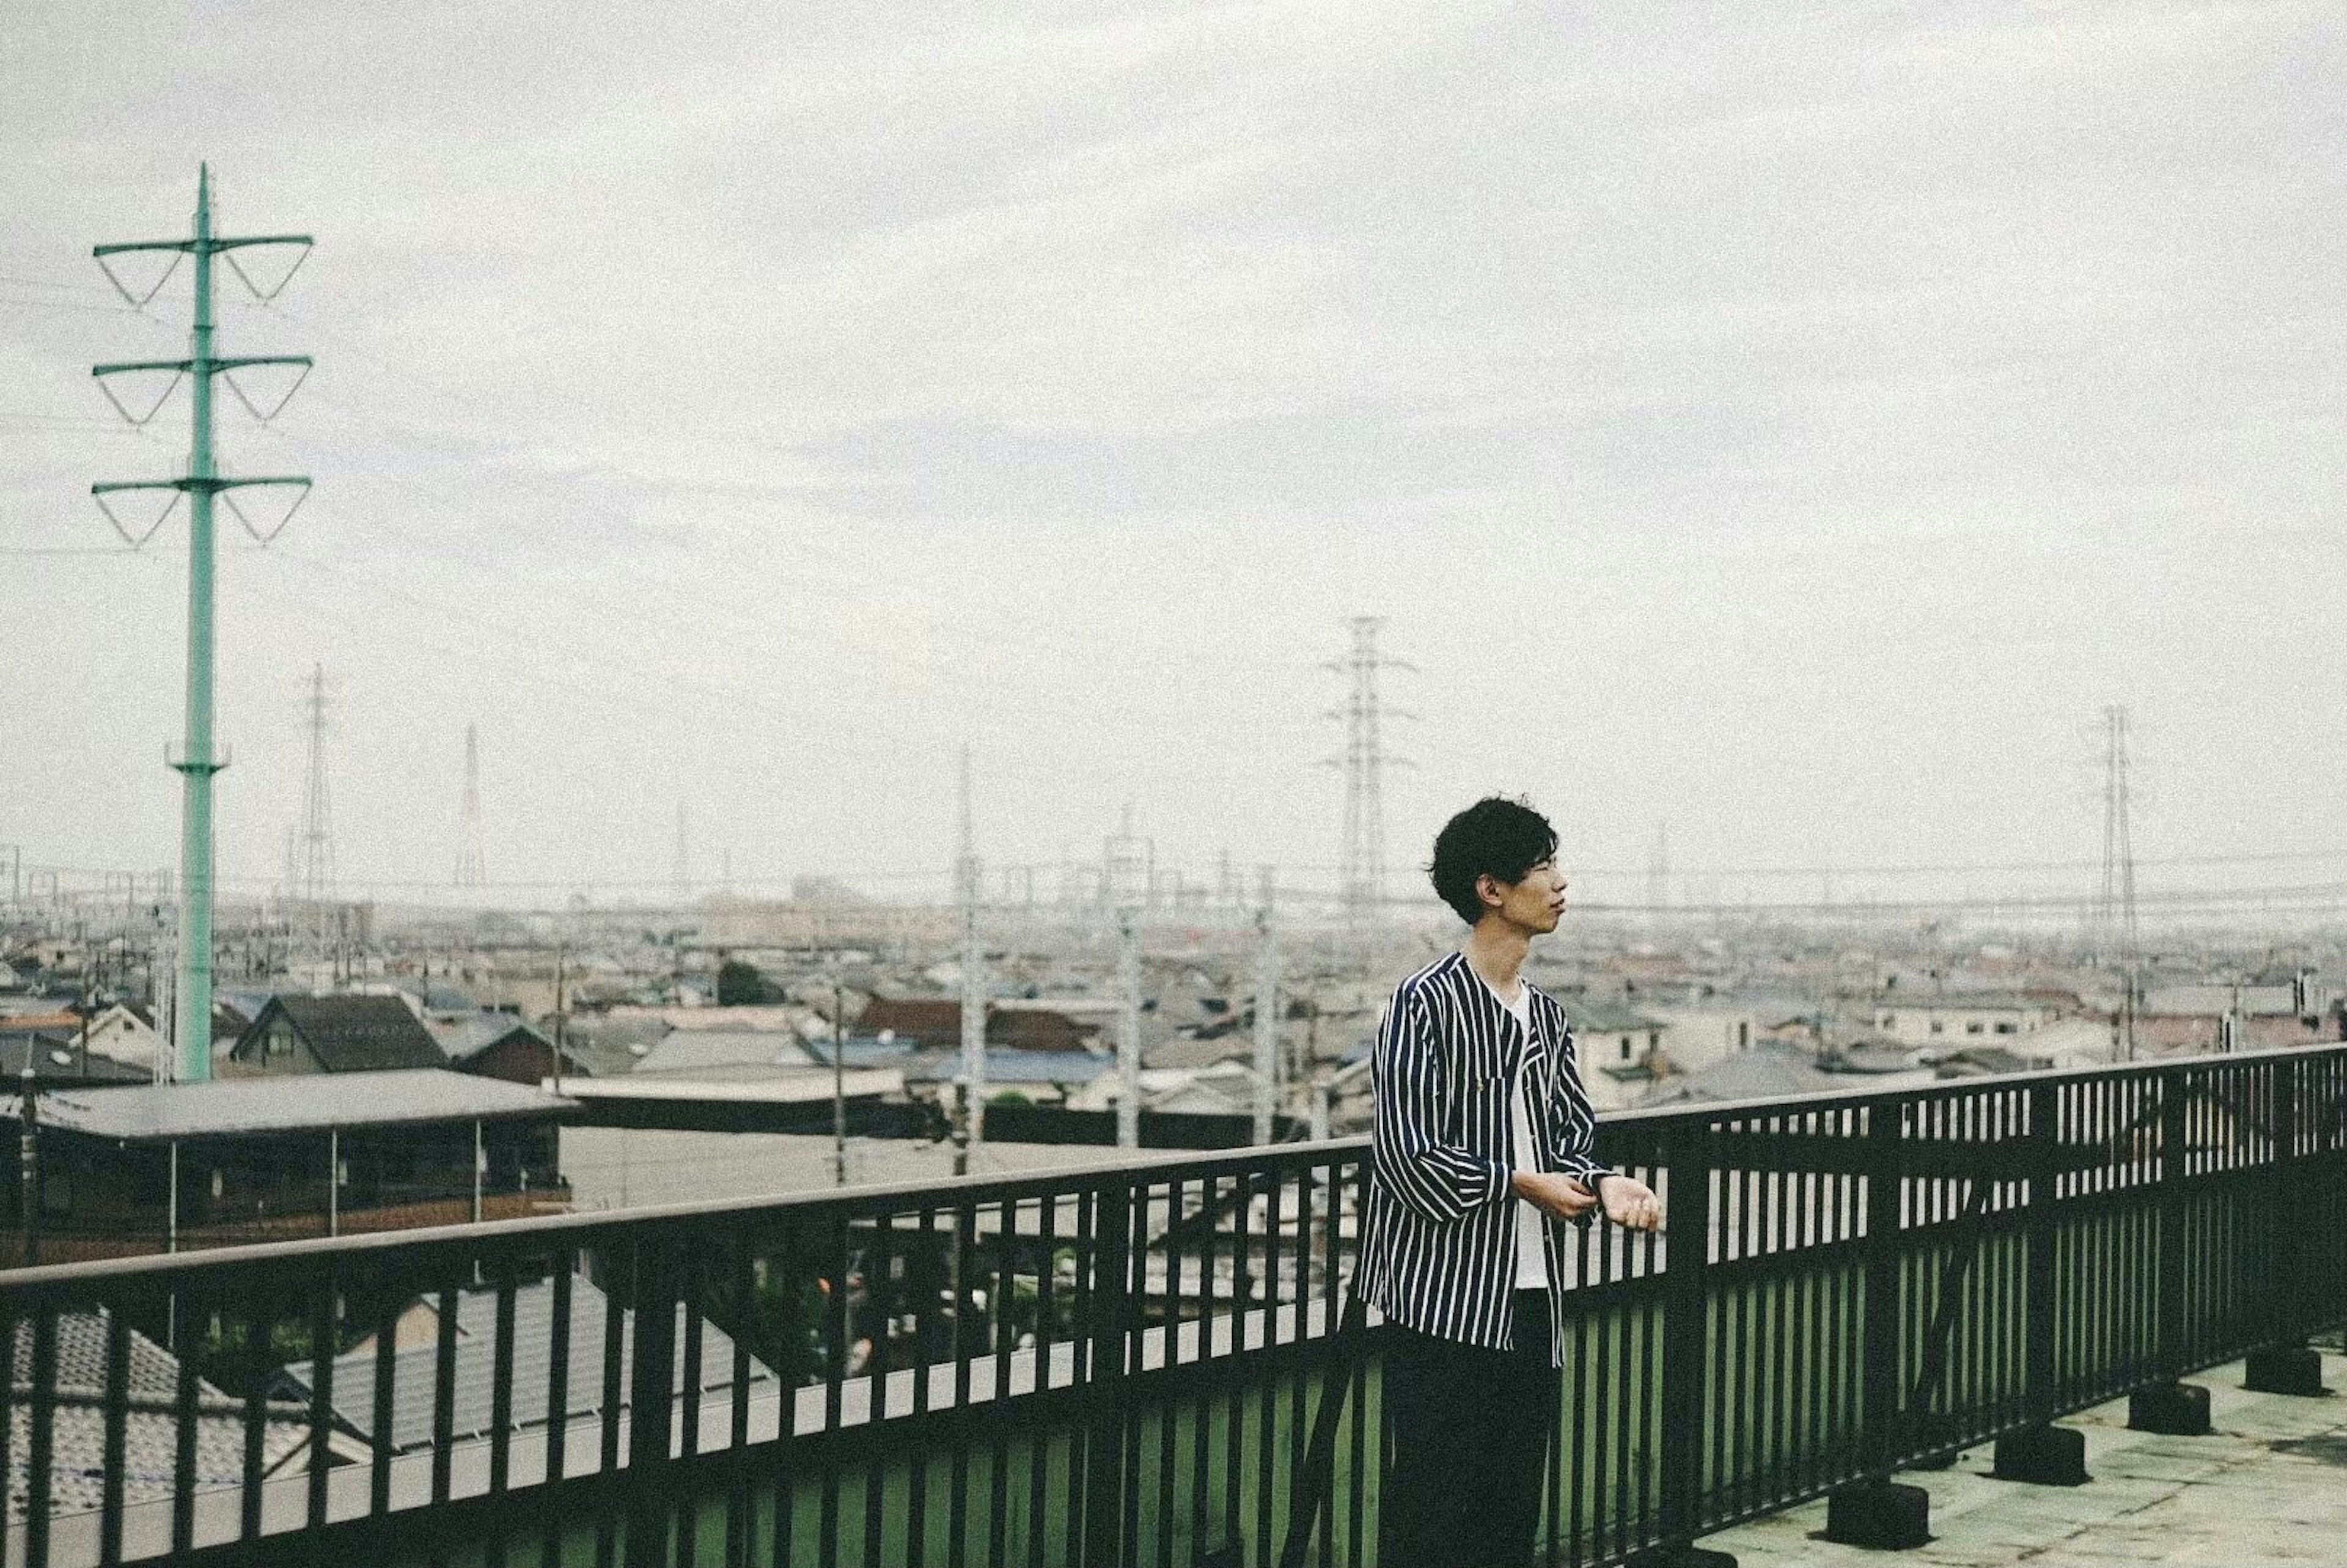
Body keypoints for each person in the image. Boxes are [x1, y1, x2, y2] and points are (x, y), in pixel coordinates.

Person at [1354, 795, 1663, 1568]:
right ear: (1492, 889)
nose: (1560, 883)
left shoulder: (1547, 1018)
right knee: (1431, 1508)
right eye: (1543, 867)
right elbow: (1407, 1155)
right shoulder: (1424, 1004)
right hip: (1444, 1301)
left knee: (1508, 1505)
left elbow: (1568, 1137)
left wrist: (1605, 1181)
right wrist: (1522, 1184)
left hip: (1531, 1298)